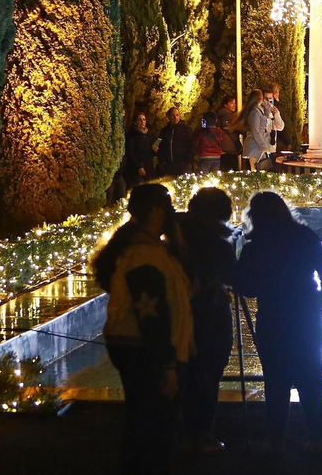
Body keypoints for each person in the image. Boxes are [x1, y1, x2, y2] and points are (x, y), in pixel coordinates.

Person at [94, 183, 194, 474]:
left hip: (138, 347)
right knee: (153, 427)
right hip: (145, 350)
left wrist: (178, 243)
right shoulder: (144, 256)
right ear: (156, 212)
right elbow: (152, 316)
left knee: (144, 422)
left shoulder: (149, 250)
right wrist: (168, 366)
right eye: (168, 210)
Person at [230, 192, 322, 455]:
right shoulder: (303, 236)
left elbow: (246, 287)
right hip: (306, 316)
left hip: (273, 318)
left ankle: (276, 439)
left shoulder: (256, 246)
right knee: (311, 378)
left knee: (276, 382)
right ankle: (317, 437)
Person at [173, 187, 236, 452]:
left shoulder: (175, 233)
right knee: (209, 372)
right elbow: (234, 277)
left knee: (184, 372)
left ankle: (182, 431)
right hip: (209, 312)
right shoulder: (218, 243)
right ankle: (202, 433)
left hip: (177, 313)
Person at [236, 88, 278, 170]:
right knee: (255, 170)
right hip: (255, 146)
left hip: (258, 144)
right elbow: (256, 130)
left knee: (259, 169)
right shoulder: (255, 111)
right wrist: (263, 146)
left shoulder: (258, 110)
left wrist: (267, 110)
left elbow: (264, 123)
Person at [121, 111, 159, 186]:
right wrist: (139, 166)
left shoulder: (150, 134)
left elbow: (152, 151)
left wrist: (155, 150)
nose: (142, 122)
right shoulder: (132, 135)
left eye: (144, 120)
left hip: (149, 167)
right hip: (136, 169)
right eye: (140, 120)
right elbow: (130, 153)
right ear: (135, 122)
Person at [157, 107, 194, 176]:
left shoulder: (186, 129)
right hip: (169, 165)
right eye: (173, 115)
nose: (175, 117)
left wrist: (187, 160)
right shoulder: (164, 131)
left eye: (177, 115)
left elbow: (192, 145)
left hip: (183, 165)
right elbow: (160, 144)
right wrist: (162, 160)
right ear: (168, 117)